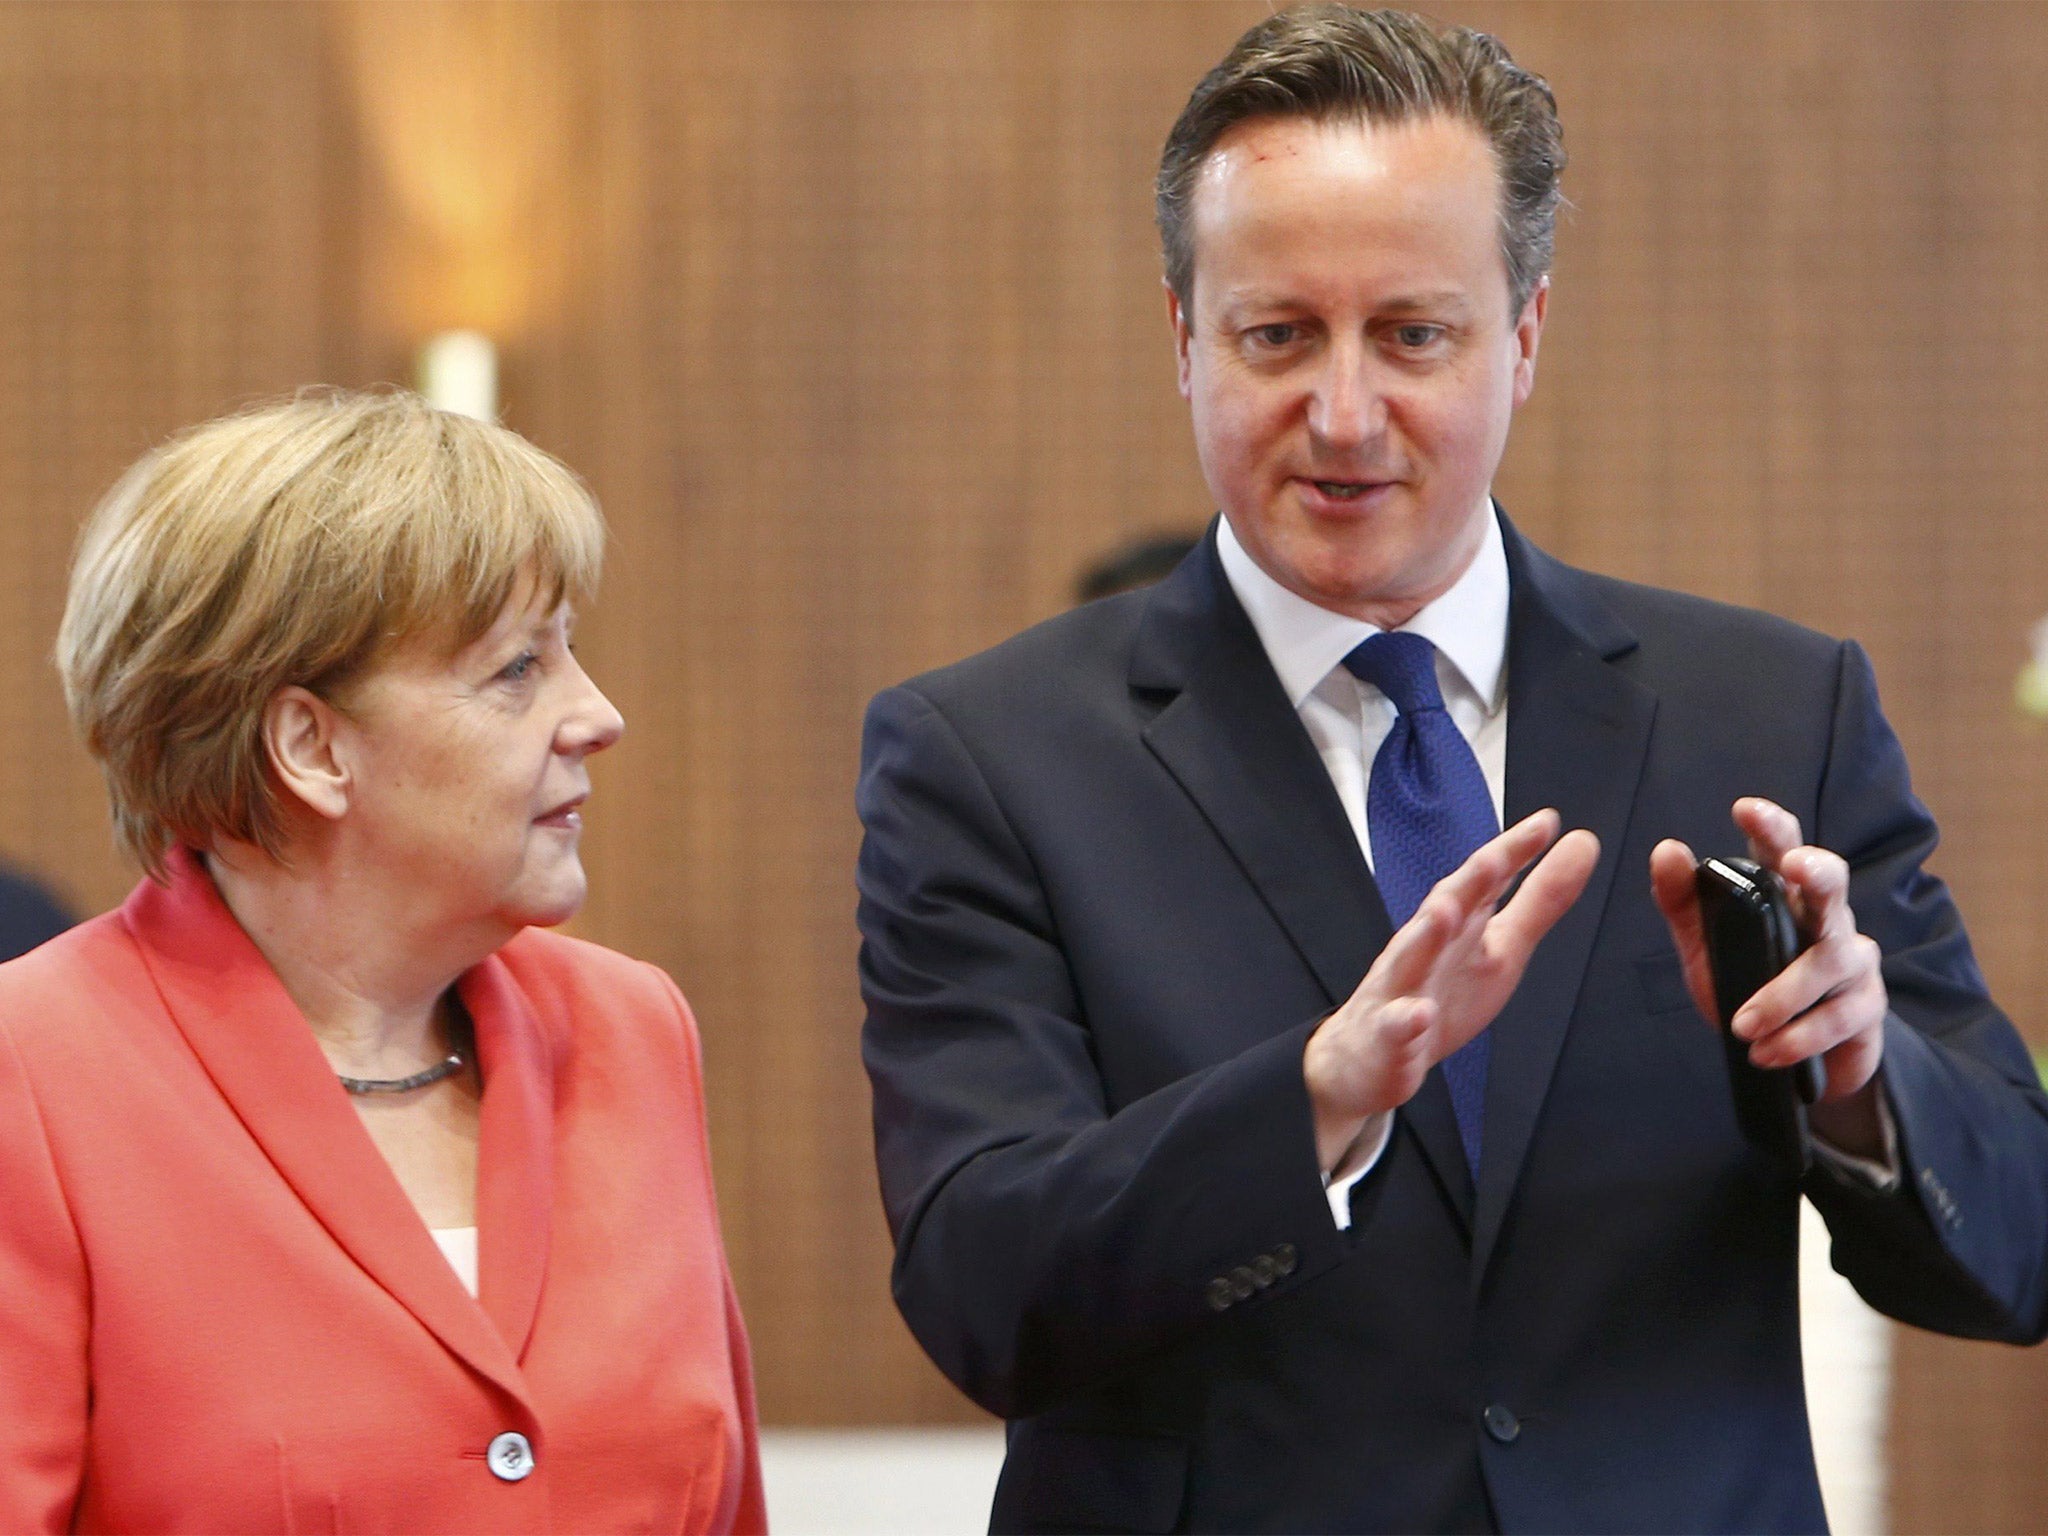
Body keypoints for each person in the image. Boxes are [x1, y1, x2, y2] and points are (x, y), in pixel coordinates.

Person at [856, 7, 2048, 1532]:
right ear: (1182, 337)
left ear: (1526, 334)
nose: (1344, 415)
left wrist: (1862, 1083)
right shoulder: (990, 756)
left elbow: (2015, 1246)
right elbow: (981, 1292)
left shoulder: (1767, 712)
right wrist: (1311, 1106)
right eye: (1276, 335)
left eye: (1414, 335)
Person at [0, 391, 765, 1533]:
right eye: (516, 670)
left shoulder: (629, 1026)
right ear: (311, 746)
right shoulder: (35, 1069)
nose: (595, 714)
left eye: (572, 653)